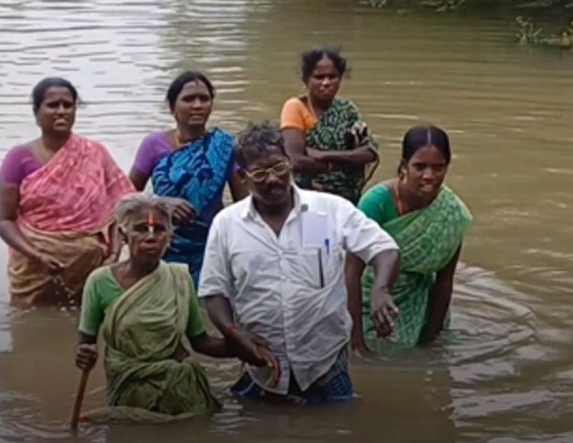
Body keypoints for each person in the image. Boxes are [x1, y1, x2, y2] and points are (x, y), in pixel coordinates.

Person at [198, 122, 400, 405]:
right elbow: (213, 291)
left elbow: (384, 248)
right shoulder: (227, 224)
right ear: (242, 177)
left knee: (339, 438)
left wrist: (381, 288)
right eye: (260, 173)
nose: (272, 180)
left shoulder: (328, 210)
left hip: (325, 363)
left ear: (290, 162)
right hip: (262, 366)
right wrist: (233, 333)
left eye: (279, 168)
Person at [74, 193, 275, 420]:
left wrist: (245, 348)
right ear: (123, 235)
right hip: (128, 387)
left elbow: (201, 342)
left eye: (159, 229)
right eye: (141, 229)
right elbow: (85, 345)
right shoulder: (99, 282)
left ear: (170, 237)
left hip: (181, 390)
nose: (151, 237)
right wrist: (84, 356)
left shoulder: (179, 278)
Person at [0, 77, 135, 307]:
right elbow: (3, 221)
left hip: (91, 268)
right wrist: (37, 256)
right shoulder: (18, 159)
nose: (61, 111)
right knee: (29, 329)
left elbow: (124, 208)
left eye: (68, 105)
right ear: (36, 112)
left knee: (89, 329)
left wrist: (114, 255)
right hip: (33, 269)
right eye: (52, 105)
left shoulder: (95, 153)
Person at [346, 125, 473, 351]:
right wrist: (357, 343)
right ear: (404, 166)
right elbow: (351, 272)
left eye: (438, 167)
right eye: (420, 166)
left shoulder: (450, 212)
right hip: (368, 299)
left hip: (420, 303)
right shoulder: (376, 203)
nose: (429, 176)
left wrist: (432, 339)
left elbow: (444, 282)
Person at [128, 71, 249, 285]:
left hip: (210, 244)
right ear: (172, 107)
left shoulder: (225, 146)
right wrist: (162, 204)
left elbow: (244, 204)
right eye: (188, 99)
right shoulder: (153, 145)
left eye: (204, 99)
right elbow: (126, 195)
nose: (197, 105)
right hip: (163, 245)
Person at [280, 46, 379, 205]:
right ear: (306, 79)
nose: (326, 83)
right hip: (308, 195)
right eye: (319, 77)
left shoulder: (347, 109)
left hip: (347, 197)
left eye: (332, 76)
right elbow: (295, 160)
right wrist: (344, 165)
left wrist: (325, 155)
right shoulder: (295, 107)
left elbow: (370, 152)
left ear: (340, 78)